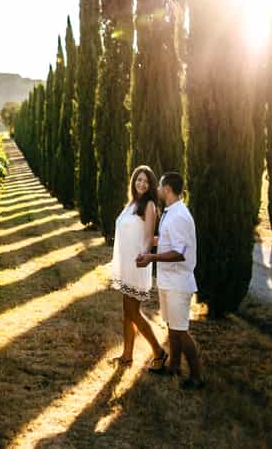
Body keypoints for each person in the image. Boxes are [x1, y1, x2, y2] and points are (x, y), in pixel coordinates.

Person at [136, 171, 204, 390]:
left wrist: (151, 257)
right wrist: (143, 240)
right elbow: (164, 241)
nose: (156, 190)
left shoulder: (180, 216)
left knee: (180, 331)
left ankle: (196, 377)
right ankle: (174, 366)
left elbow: (179, 252)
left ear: (166, 189)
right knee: (172, 327)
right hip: (167, 281)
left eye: (159, 187)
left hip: (178, 283)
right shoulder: (170, 212)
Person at [108, 165, 168, 368]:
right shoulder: (131, 203)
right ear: (133, 181)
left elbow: (149, 236)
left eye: (145, 181)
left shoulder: (149, 205)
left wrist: (144, 255)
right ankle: (127, 356)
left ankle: (159, 352)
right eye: (138, 179)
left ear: (150, 184)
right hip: (126, 264)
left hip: (137, 264)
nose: (141, 183)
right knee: (127, 312)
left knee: (134, 312)